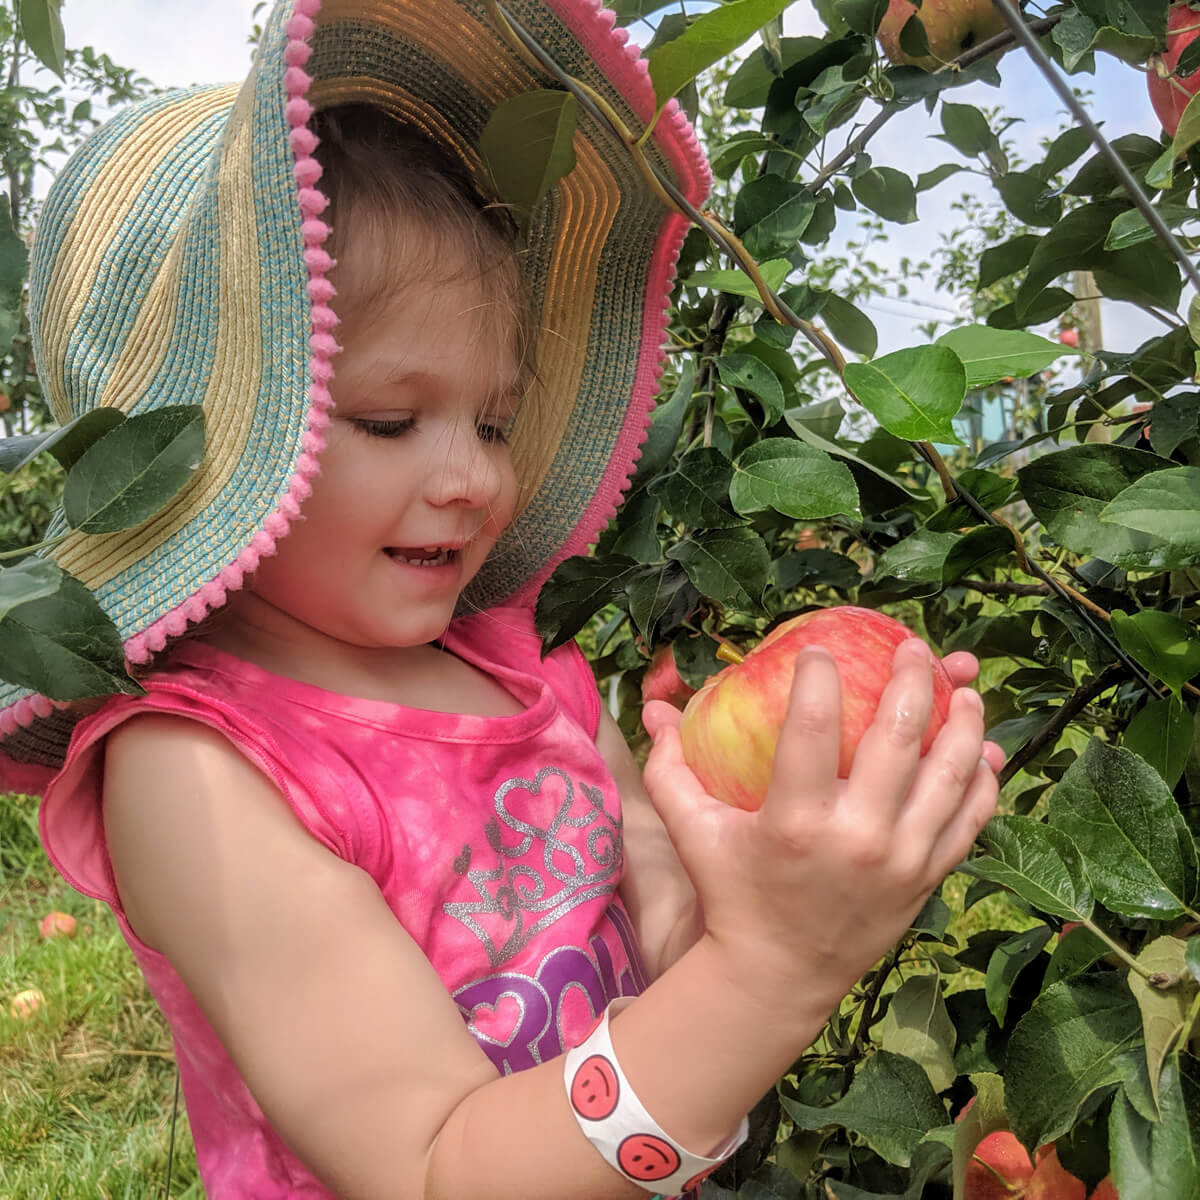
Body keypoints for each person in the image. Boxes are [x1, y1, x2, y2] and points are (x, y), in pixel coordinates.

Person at [0, 0, 1001, 1196]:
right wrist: (776, 972)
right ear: (204, 460)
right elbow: (431, 1168)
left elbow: (678, 950)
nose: (476, 477)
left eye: (493, 419)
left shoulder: (521, 674)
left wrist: (780, 887)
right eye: (388, 420)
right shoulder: (200, 773)